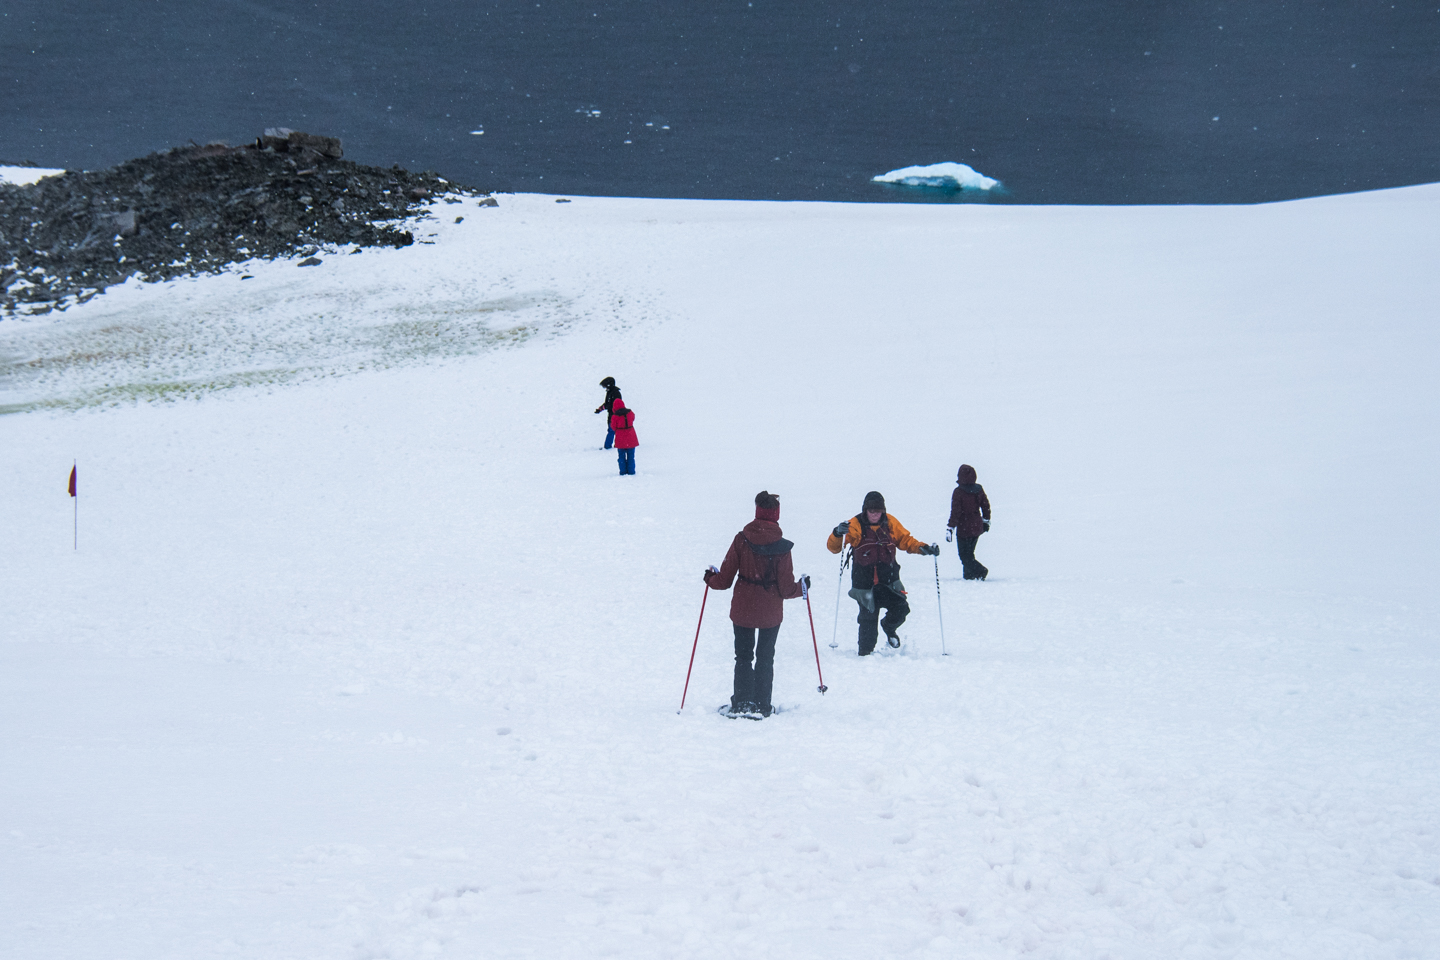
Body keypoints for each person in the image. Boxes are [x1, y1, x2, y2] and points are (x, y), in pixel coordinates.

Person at [704, 491, 806, 717]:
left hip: (743, 608)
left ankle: (741, 703)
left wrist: (710, 579)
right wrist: (803, 587)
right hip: (770, 610)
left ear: (757, 512)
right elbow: (787, 589)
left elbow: (724, 580)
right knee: (765, 657)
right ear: (776, 515)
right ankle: (762, 704)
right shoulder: (782, 547)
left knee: (743, 656)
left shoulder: (742, 539)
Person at [827, 491, 938, 655]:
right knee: (868, 621)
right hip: (864, 584)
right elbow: (834, 548)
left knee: (901, 609)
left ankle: (889, 627)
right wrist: (837, 533)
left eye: (878, 511)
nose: (874, 514)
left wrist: (923, 548)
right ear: (865, 510)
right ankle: (865, 656)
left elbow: (905, 540)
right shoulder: (854, 525)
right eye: (871, 511)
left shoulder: (890, 522)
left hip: (889, 581)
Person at [946, 464, 992, 580]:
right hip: (977, 526)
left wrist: (950, 527)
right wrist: (986, 521)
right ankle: (969, 577)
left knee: (964, 556)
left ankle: (981, 571)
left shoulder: (958, 492)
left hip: (964, 527)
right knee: (969, 554)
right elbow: (985, 506)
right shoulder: (978, 489)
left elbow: (955, 512)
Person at [610, 397, 638, 475]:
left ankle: (623, 471)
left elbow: (613, 426)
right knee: (631, 456)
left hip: (620, 437)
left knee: (621, 456)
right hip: (631, 436)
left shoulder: (615, 416)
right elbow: (633, 418)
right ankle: (631, 471)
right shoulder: (630, 412)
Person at [595, 377, 623, 449]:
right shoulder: (610, 392)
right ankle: (615, 445)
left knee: (612, 430)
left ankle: (611, 446)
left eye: (604, 386)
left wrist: (604, 407)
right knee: (612, 430)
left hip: (615, 415)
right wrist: (600, 409)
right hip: (612, 414)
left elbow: (612, 404)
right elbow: (607, 403)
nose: (604, 388)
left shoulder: (615, 393)